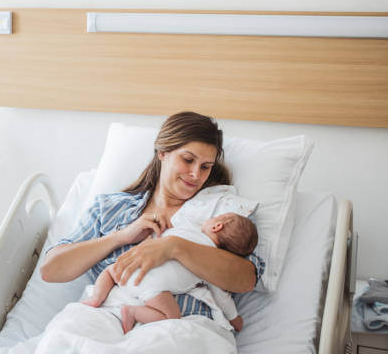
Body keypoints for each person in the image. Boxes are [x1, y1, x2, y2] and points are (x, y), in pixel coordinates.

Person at [40, 111, 265, 343]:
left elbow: (245, 278)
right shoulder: (112, 207)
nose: (196, 174)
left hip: (182, 323)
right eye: (188, 160)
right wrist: (120, 237)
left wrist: (173, 246)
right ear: (163, 153)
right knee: (62, 340)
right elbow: (51, 269)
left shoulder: (220, 211)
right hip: (106, 313)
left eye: (205, 167)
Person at [82, 205, 258, 333]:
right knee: (171, 318)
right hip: (153, 289)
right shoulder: (211, 266)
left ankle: (96, 298)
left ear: (216, 226)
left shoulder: (185, 229)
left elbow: (162, 232)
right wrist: (234, 319)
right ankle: (133, 312)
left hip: (131, 269)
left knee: (109, 271)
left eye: (215, 217)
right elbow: (222, 297)